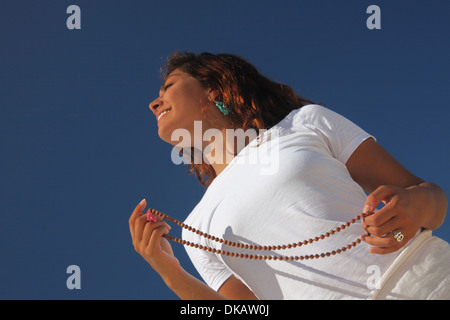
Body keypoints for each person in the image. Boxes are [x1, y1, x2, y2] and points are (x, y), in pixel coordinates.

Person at [128, 52, 449, 299]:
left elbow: (431, 202)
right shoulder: (196, 229)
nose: (154, 103)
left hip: (426, 282)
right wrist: (169, 272)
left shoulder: (304, 122)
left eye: (168, 86)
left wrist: (411, 209)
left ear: (212, 89)